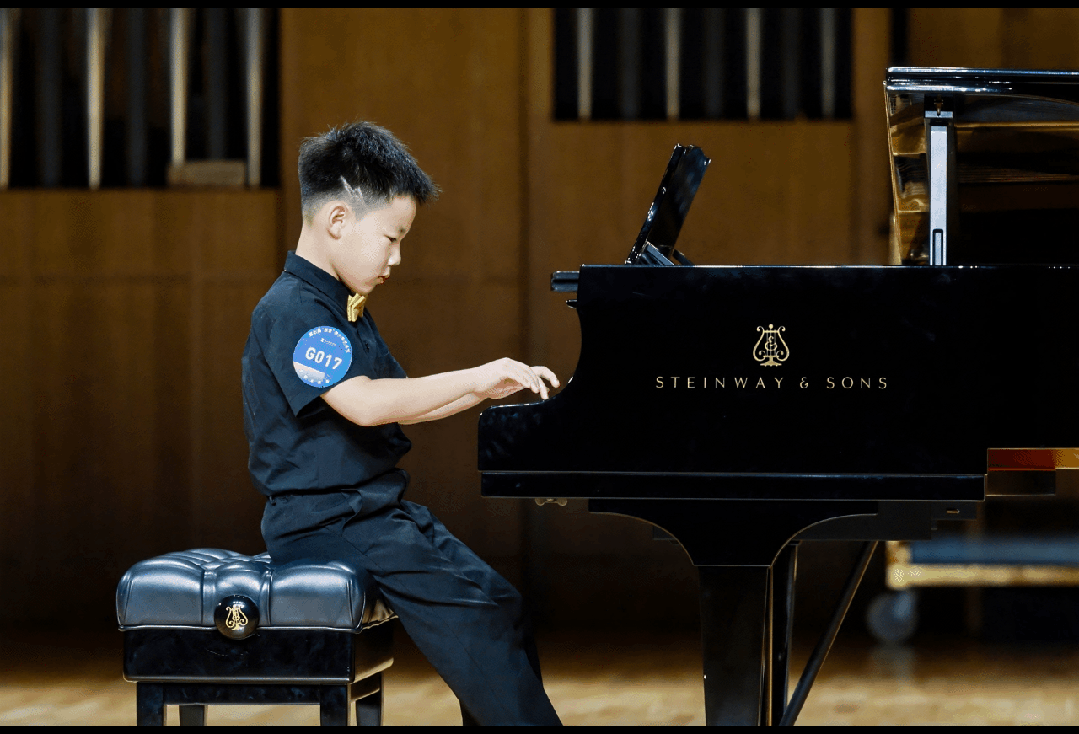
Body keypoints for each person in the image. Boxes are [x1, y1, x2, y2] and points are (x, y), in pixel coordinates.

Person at [241, 121, 562, 725]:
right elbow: (365, 404)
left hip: (371, 513)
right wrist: (476, 377)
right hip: (326, 522)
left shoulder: (341, 305)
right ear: (339, 220)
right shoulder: (291, 309)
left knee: (505, 605)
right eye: (391, 238)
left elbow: (402, 400)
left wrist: (485, 389)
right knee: (480, 623)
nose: (396, 258)